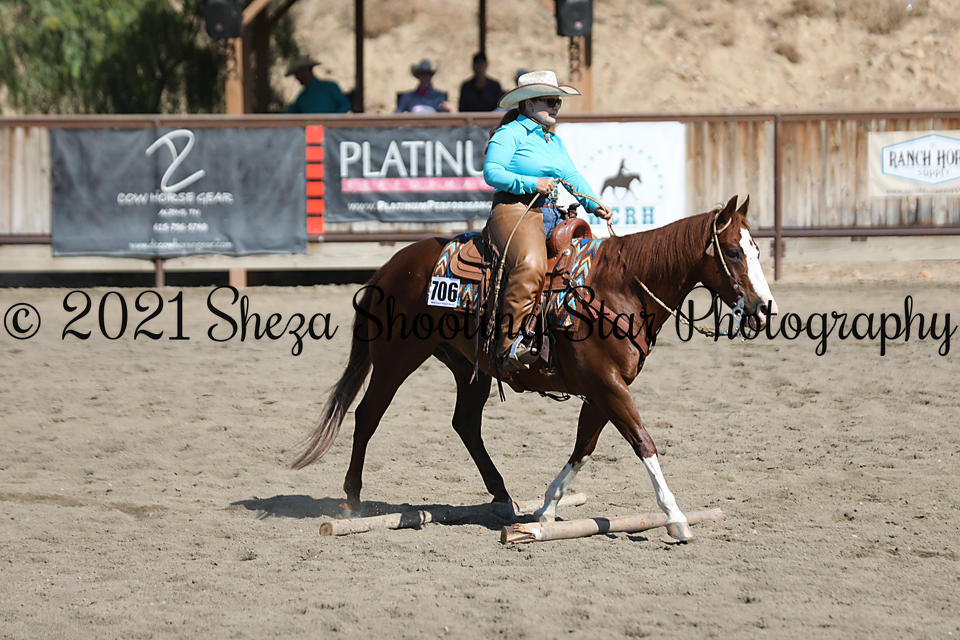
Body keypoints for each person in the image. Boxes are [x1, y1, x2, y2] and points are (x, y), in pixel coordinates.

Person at [483, 70, 613, 373]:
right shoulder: (509, 134)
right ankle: (509, 344)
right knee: (531, 264)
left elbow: (572, 177)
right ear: (528, 104)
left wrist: (594, 205)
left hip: (551, 211)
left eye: (558, 101)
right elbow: (492, 172)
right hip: (515, 209)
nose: (556, 106)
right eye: (549, 100)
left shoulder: (554, 141)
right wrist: (532, 183)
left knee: (591, 264)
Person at [284, 56, 351, 114]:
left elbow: (345, 104)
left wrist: (333, 121)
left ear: (305, 70)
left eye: (297, 74)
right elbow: (289, 114)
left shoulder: (330, 87)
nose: (297, 78)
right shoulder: (301, 97)